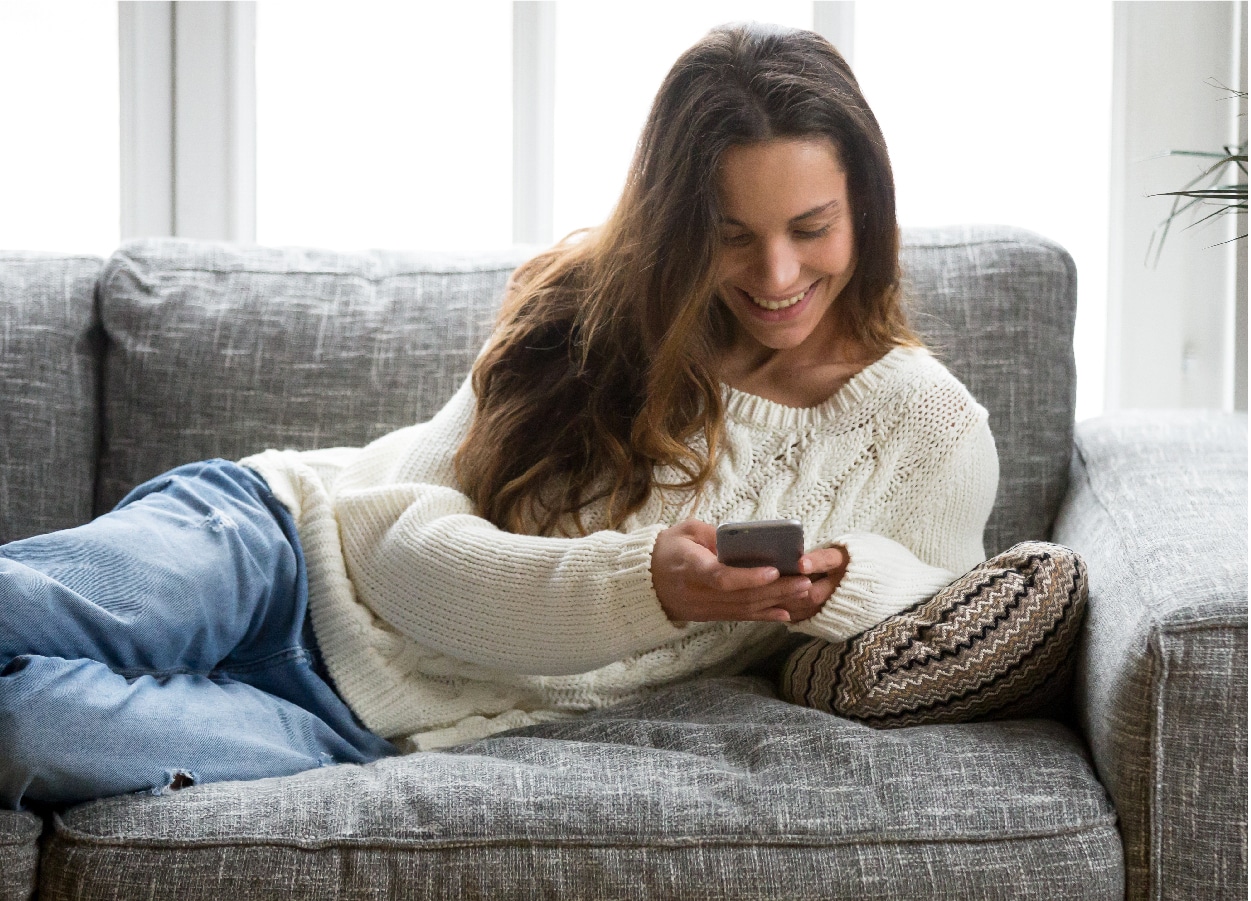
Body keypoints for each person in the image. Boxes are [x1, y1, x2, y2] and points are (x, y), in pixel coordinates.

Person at [0, 22, 997, 809]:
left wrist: (839, 586)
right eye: (732, 237)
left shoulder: (928, 431)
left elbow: (952, 594)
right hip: (279, 544)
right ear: (678, 226)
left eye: (811, 229)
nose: (779, 276)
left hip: (366, 728)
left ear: (866, 210)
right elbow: (392, 545)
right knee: (23, 605)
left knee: (25, 735)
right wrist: (648, 587)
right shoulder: (590, 315)